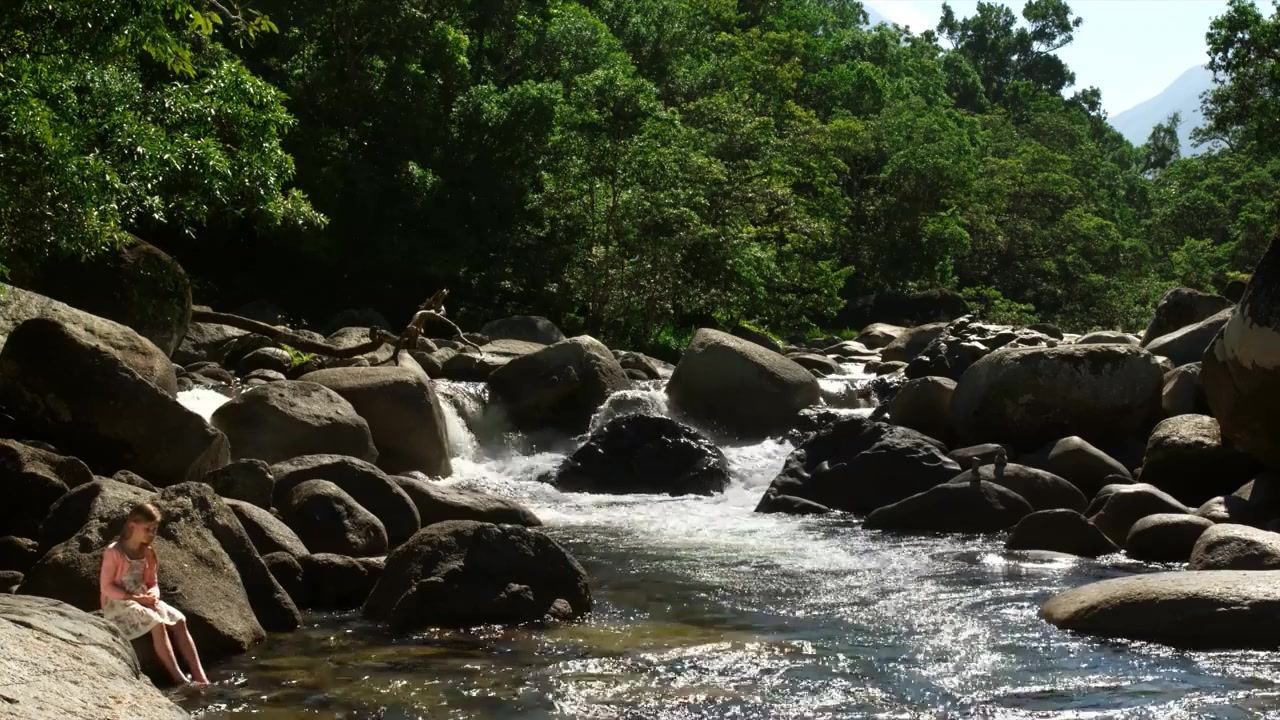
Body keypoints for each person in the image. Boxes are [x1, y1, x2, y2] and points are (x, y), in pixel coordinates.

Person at [99, 502, 209, 688]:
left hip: (144, 598)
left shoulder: (147, 552)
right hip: (119, 602)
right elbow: (106, 587)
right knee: (156, 623)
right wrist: (136, 598)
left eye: (154, 529)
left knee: (179, 620)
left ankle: (200, 675)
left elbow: (153, 583)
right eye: (147, 529)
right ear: (132, 526)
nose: (151, 534)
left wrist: (153, 594)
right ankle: (179, 678)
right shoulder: (114, 552)